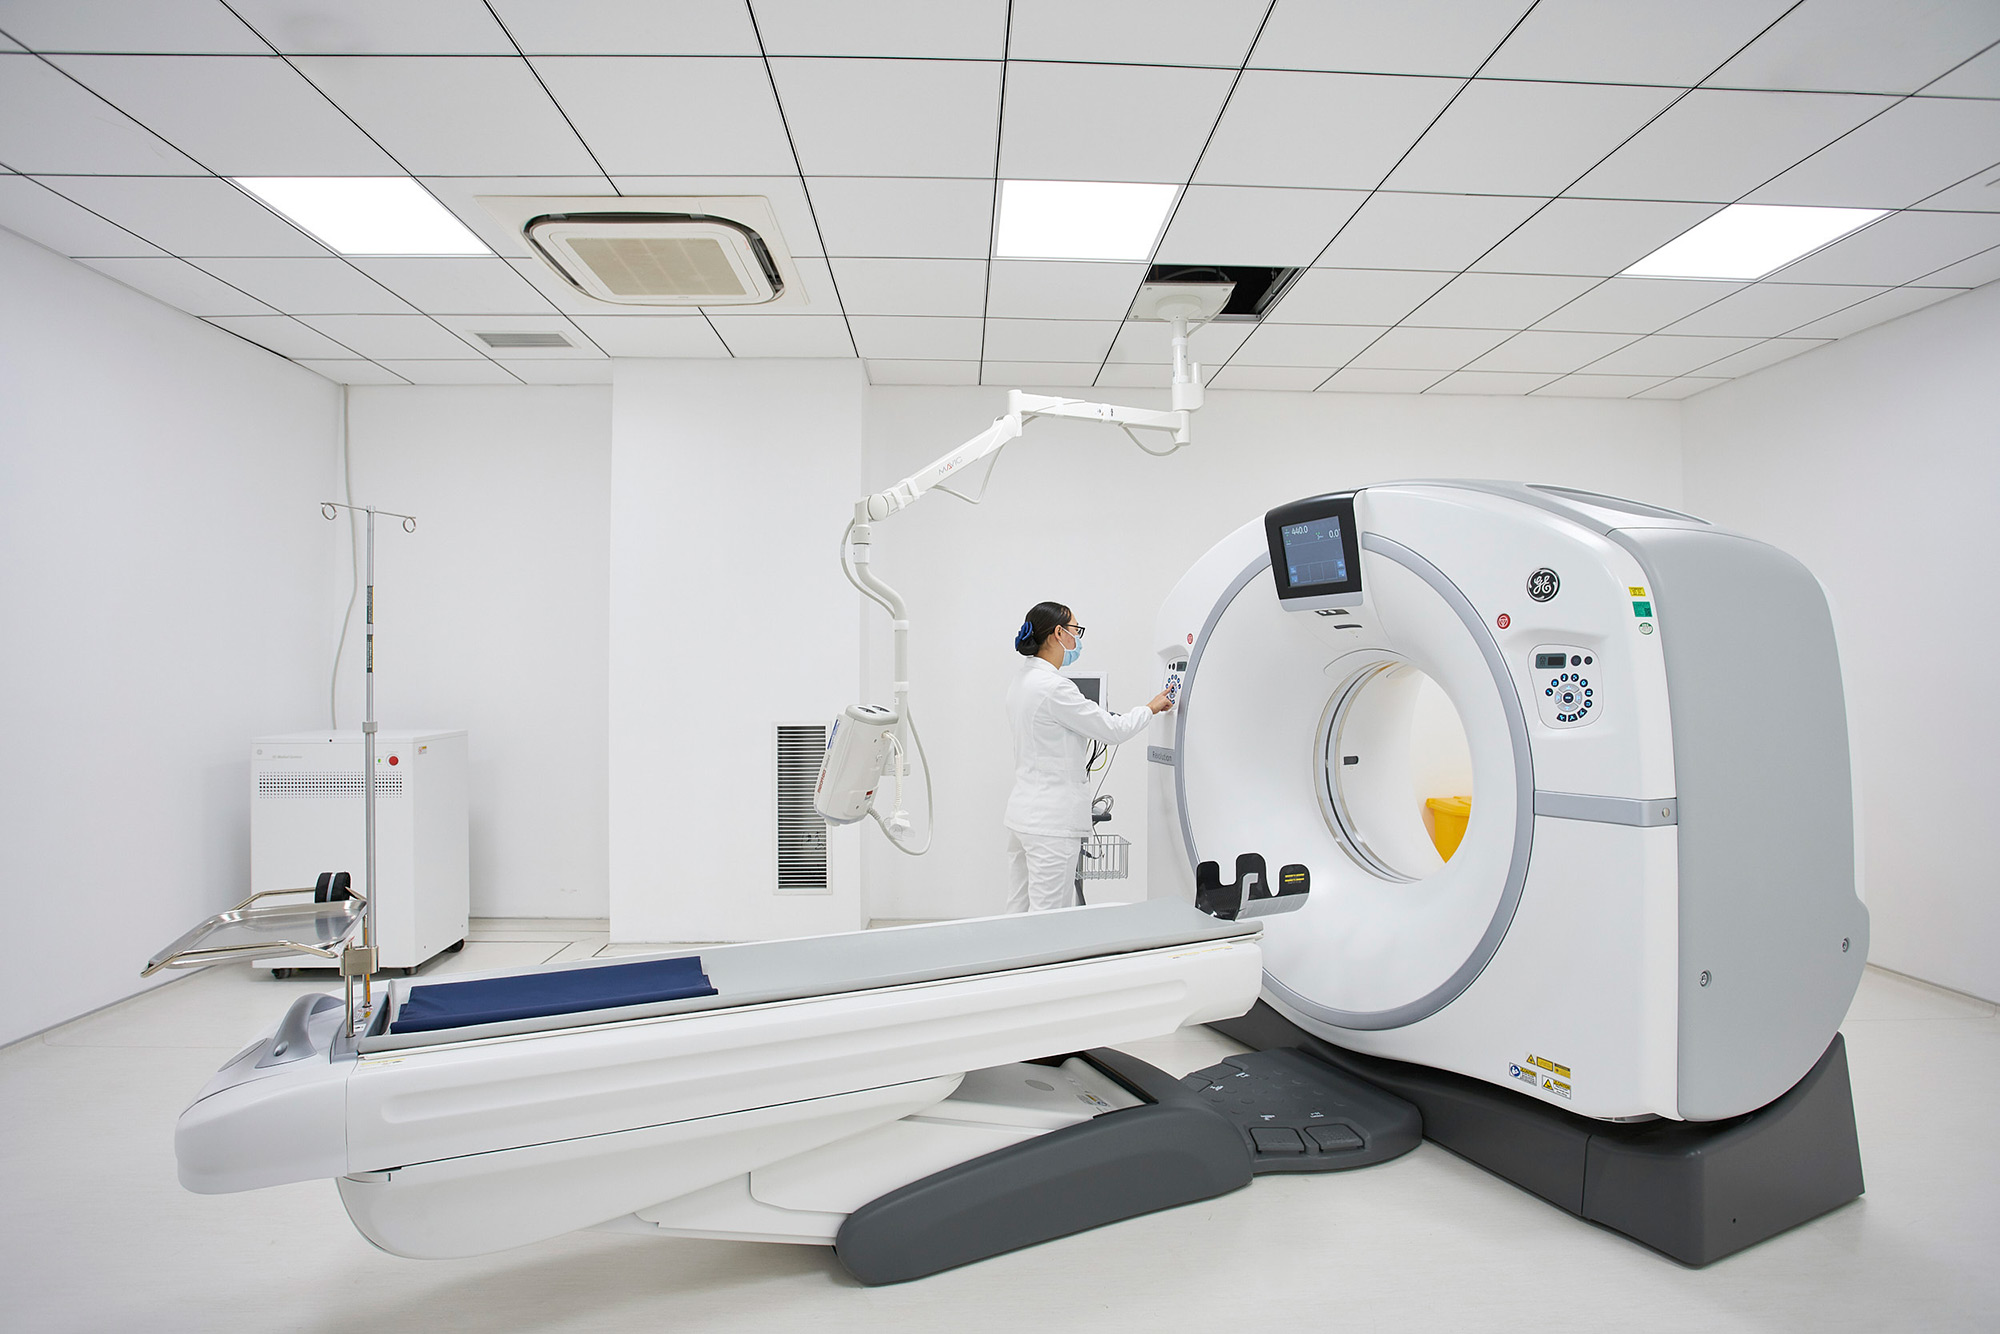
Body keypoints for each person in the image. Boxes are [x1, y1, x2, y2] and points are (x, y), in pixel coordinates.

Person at [1004, 602, 1173, 913]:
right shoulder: (1055, 688)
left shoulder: (1021, 681)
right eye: (1075, 631)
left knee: (1017, 912)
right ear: (1058, 634)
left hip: (1022, 817)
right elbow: (1113, 730)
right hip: (1051, 824)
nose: (1078, 640)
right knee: (1048, 918)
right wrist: (1150, 707)